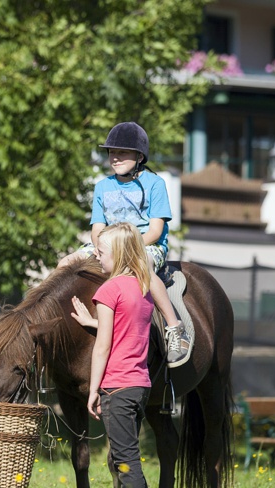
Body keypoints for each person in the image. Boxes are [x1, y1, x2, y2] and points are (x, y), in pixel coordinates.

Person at [59, 122, 191, 368]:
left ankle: (174, 328)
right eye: (111, 152)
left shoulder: (155, 184)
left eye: (122, 152)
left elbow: (155, 230)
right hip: (107, 247)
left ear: (139, 156)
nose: (115, 158)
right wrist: (103, 248)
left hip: (145, 247)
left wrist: (124, 249)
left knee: (144, 269)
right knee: (64, 263)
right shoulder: (102, 186)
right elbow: (97, 229)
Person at [71, 222, 157, 488]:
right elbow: (126, 328)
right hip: (140, 385)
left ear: (118, 254)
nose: (96, 254)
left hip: (117, 386)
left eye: (101, 251)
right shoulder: (142, 286)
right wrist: (92, 320)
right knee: (130, 455)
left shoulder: (109, 290)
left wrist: (93, 390)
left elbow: (104, 346)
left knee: (124, 459)